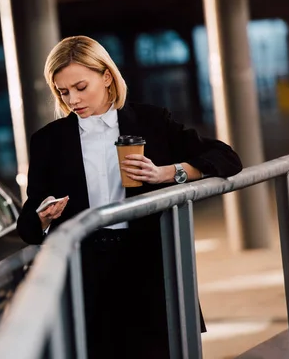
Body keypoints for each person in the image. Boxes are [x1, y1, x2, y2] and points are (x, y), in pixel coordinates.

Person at [16, 36, 243, 358]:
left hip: (149, 264)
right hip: (86, 271)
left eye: (81, 87)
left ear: (107, 76)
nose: (73, 100)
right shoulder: (48, 141)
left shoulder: (152, 121)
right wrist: (42, 217)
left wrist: (168, 173)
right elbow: (27, 226)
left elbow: (227, 159)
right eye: (63, 92)